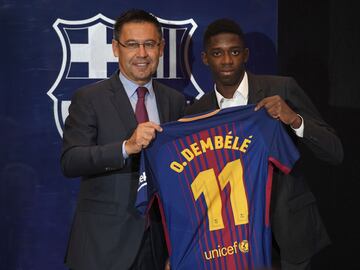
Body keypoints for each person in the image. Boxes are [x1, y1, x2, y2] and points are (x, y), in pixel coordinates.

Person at [185, 18, 343, 270]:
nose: (227, 60)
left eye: (234, 52)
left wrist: (294, 119)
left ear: (245, 54)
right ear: (205, 58)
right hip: (231, 241)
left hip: (288, 234)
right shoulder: (197, 112)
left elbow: (334, 151)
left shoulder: (281, 88)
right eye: (217, 53)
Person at [60, 9, 185, 270]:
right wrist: (126, 147)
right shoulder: (89, 98)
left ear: (161, 48)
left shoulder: (173, 101)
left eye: (149, 44)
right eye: (132, 45)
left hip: (157, 245)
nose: (142, 54)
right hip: (102, 247)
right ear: (116, 48)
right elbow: (71, 161)